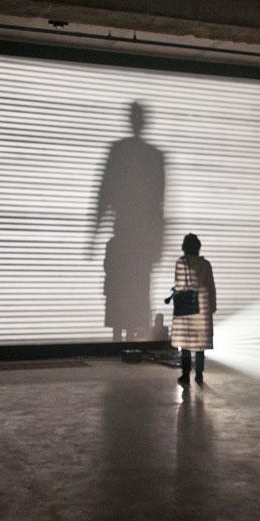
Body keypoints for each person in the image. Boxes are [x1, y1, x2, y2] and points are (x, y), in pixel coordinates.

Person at [91, 101, 166, 341]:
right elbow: (158, 203)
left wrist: (93, 234)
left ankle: (120, 339)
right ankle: (130, 338)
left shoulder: (119, 151)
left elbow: (104, 194)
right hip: (140, 238)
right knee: (135, 290)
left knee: (121, 289)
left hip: (128, 235)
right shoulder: (154, 156)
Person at [171, 233, 216, 385]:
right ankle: (199, 375)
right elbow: (211, 287)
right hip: (202, 305)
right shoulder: (206, 265)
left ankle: (185, 374)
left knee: (185, 343)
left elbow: (179, 285)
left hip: (186, 306)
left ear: (184, 247)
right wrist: (213, 306)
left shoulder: (181, 263)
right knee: (199, 344)